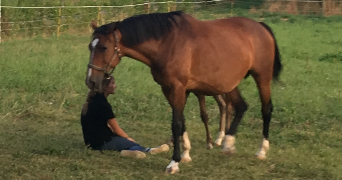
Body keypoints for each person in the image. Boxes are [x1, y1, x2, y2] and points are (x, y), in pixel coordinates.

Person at [81, 74, 169, 158]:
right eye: (112, 83)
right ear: (105, 87)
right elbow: (116, 128)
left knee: (122, 142)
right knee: (132, 144)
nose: (115, 86)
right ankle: (148, 150)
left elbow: (102, 124)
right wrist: (127, 138)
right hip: (102, 142)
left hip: (91, 141)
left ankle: (130, 150)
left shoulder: (92, 100)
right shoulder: (103, 105)